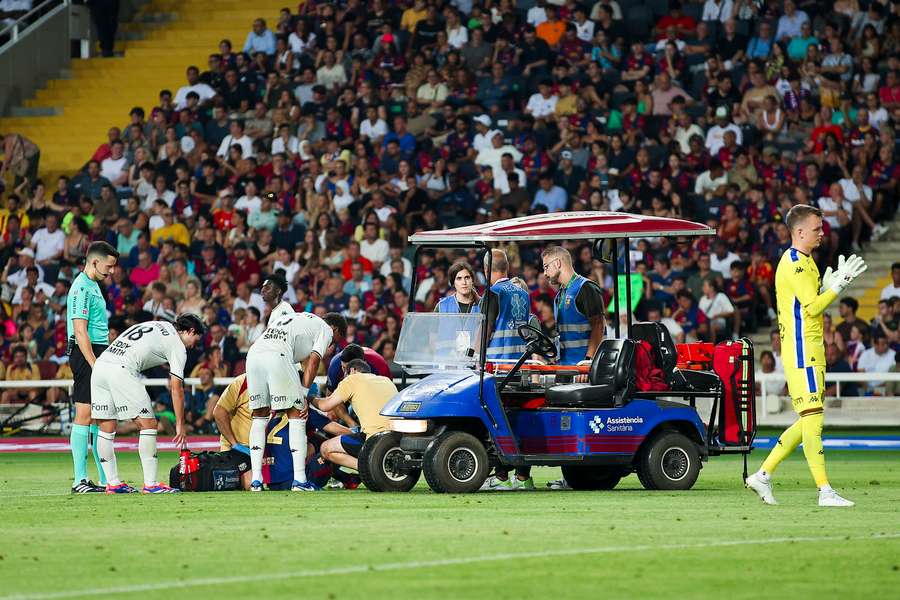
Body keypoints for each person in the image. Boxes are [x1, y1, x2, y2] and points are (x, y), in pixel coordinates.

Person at [746, 206, 867, 507]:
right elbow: (813, 308)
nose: (822, 232)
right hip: (802, 352)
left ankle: (763, 475)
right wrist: (839, 285)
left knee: (808, 420)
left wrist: (825, 287)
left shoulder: (806, 261)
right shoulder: (795, 262)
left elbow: (809, 304)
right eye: (817, 228)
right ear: (799, 232)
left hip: (810, 350)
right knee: (814, 421)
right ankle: (824, 491)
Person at [91, 314, 206, 493]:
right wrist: (180, 425)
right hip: (121, 369)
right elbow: (176, 389)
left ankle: (113, 483)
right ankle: (151, 484)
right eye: (195, 340)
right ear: (190, 331)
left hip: (100, 366)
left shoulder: (159, 324)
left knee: (106, 426)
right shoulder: (178, 346)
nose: (193, 346)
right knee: (149, 424)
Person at [245, 311, 347, 491]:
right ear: (335, 329)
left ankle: (256, 481)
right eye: (336, 341)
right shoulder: (325, 329)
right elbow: (314, 362)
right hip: (277, 355)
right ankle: (300, 480)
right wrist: (304, 395)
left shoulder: (299, 320)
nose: (332, 346)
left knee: (259, 416)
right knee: (298, 414)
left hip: (253, 354)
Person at [66, 241, 119, 494]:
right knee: (85, 415)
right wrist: (95, 364)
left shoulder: (94, 286)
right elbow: (79, 330)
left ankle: (104, 479)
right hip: (86, 352)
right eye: (109, 266)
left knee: (99, 415)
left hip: (98, 350)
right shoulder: (81, 288)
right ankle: (79, 480)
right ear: (95, 261)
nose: (111, 271)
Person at [314, 359, 394, 472]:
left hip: (373, 440)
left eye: (344, 374)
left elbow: (325, 406)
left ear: (352, 370)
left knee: (325, 448)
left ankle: (368, 469)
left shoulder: (352, 379)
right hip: (395, 438)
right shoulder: (386, 381)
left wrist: (309, 396)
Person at [326, 343, 391, 393]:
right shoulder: (334, 367)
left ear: (363, 364)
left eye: (349, 368)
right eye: (343, 367)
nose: (345, 373)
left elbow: (389, 393)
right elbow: (329, 396)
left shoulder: (380, 366)